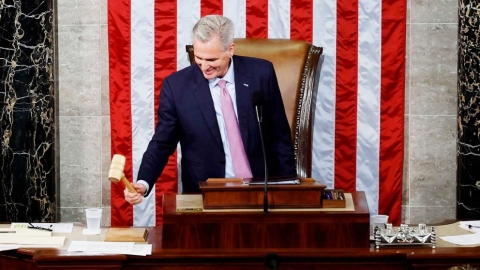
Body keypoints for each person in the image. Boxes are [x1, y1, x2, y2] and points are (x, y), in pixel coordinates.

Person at [125, 15, 295, 205]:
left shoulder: (261, 74)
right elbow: (162, 142)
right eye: (198, 58)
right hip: (205, 195)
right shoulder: (177, 87)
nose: (204, 67)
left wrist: (289, 190)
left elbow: (280, 136)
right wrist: (144, 181)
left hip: (260, 190)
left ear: (230, 49)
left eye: (212, 59)